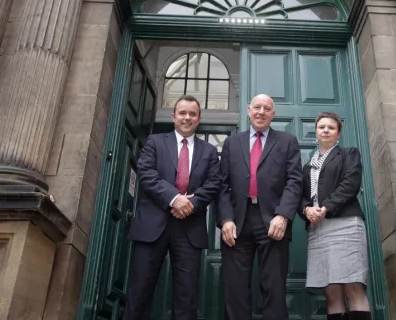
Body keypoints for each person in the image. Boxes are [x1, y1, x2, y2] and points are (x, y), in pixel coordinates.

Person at [124, 95, 221, 320]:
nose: (187, 117)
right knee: (139, 292)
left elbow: (214, 183)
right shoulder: (155, 142)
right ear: (173, 116)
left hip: (189, 229)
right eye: (182, 113)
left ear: (199, 118)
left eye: (192, 114)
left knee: (187, 298)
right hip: (151, 226)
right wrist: (173, 198)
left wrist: (190, 204)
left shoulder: (209, 151)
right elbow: (146, 173)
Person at [216, 94, 303, 320]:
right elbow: (222, 185)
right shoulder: (232, 143)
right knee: (234, 290)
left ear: (273, 114)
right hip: (237, 223)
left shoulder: (287, 141)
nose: (261, 112)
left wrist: (283, 215)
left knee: (274, 288)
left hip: (273, 221)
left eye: (267, 108)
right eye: (257, 107)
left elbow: (295, 181)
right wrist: (226, 219)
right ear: (248, 110)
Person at [299, 112, 371, 320]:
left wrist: (326, 207)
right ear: (316, 132)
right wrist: (306, 210)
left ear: (338, 134)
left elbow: (351, 184)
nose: (326, 130)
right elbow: (300, 197)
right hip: (318, 229)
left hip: (346, 225)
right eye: (322, 127)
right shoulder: (306, 167)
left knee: (353, 287)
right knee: (331, 292)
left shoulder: (349, 154)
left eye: (331, 127)